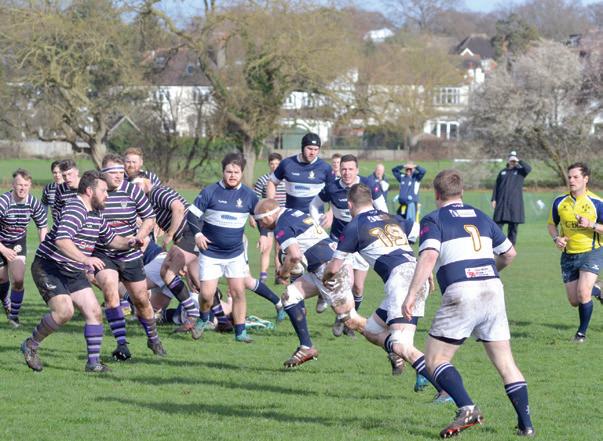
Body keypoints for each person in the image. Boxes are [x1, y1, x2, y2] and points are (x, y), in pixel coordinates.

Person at [403, 169, 534, 438]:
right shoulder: (481, 216)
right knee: (506, 363)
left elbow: (429, 256)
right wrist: (489, 271)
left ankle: (467, 409)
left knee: (434, 359)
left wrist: (411, 294)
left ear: (436, 194)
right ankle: (526, 426)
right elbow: (509, 253)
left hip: (462, 291)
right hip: (493, 290)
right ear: (461, 192)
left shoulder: (434, 219)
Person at [322, 184, 451, 402]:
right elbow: (423, 234)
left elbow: (334, 267)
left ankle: (443, 387)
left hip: (401, 280)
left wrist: (325, 279)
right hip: (412, 275)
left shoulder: (354, 226)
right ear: (370, 201)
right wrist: (424, 266)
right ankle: (416, 363)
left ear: (349, 205)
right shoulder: (390, 217)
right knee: (371, 330)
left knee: (402, 345)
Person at [21, 171, 137, 373]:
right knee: (64, 312)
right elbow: (62, 240)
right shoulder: (75, 209)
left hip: (72, 270)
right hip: (49, 266)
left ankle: (93, 364)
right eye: (103, 191)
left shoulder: (96, 214)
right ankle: (30, 345)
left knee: (94, 311)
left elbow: (112, 240)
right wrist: (85, 259)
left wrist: (130, 242)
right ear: (90, 191)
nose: (107, 195)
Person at [254, 198, 357, 368]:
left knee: (351, 320)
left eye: (260, 221)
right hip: (323, 267)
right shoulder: (292, 213)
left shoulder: (281, 225)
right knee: (290, 296)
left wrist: (283, 272)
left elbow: (294, 256)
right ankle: (306, 347)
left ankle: (393, 343)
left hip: (330, 271)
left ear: (268, 216)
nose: (261, 225)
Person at [191, 153, 270, 343]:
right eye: (229, 171)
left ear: (242, 173)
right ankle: (203, 317)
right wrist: (198, 235)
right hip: (210, 253)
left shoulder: (249, 195)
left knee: (238, 292)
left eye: (236, 172)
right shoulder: (210, 191)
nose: (232, 175)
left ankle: (240, 332)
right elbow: (191, 215)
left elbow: (261, 217)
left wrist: (263, 234)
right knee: (206, 294)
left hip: (235, 254)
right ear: (223, 171)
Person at [94, 154, 165, 360]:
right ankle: (122, 344)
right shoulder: (97, 193)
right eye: (113, 172)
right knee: (110, 294)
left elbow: (149, 217)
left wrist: (140, 236)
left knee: (141, 299)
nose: (118, 175)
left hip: (130, 253)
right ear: (103, 173)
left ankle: (153, 338)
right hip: (104, 253)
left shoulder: (132, 190)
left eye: (120, 171)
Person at [309, 155, 388, 337]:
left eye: (350, 169)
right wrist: (317, 224)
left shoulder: (368, 185)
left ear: (357, 170)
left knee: (358, 287)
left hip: (363, 242)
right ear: (339, 170)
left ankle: (345, 321)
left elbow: (383, 211)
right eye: (343, 169)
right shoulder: (332, 187)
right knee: (346, 282)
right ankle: (343, 315)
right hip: (340, 241)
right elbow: (314, 204)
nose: (347, 173)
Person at [132, 175, 202, 338]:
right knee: (197, 281)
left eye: (137, 184)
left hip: (190, 233)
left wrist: (169, 235)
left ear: (146, 181)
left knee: (167, 271)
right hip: (188, 235)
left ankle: (194, 313)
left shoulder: (157, 192)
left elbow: (178, 208)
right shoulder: (148, 201)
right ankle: (221, 319)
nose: (135, 189)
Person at [547, 162, 603, 343]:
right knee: (574, 300)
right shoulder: (559, 202)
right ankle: (598, 290)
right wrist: (556, 238)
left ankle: (581, 334)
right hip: (569, 255)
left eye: (576, 177)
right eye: (569, 177)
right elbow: (551, 225)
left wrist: (591, 225)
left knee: (583, 293)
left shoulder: (597, 203)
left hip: (592, 252)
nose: (571, 180)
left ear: (586, 179)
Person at [0, 169, 48, 327]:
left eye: (26, 185)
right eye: (19, 185)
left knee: (19, 279)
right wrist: (3, 250)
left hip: (17, 243)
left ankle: (13, 315)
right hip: (1, 243)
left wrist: (43, 247)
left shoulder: (33, 202)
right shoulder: (4, 202)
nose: (22, 188)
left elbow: (42, 225)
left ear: (30, 185)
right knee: (2, 279)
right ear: (13, 185)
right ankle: (5, 301)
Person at [266, 132, 334, 213]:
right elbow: (272, 182)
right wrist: (271, 203)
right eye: (309, 149)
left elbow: (334, 190)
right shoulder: (287, 163)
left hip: (315, 216)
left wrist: (331, 212)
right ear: (302, 147)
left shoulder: (325, 167)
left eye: (316, 149)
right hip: (291, 215)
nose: (312, 153)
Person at [254, 152, 286, 283]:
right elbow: (256, 200)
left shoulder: (286, 180)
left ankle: (279, 275)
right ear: (269, 164)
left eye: (277, 164)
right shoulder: (263, 180)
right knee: (266, 248)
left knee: (280, 248)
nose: (274, 166)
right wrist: (252, 217)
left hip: (282, 218)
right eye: (272, 164)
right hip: (266, 219)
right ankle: (263, 277)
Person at [491, 151, 532, 245]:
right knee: (497, 226)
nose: (512, 160)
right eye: (511, 158)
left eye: (514, 158)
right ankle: (498, 245)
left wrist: (519, 161)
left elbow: (528, 169)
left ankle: (511, 246)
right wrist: (493, 199)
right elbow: (496, 186)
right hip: (501, 204)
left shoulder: (521, 171)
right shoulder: (502, 172)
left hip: (514, 205)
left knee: (513, 228)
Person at [52, 159, 81, 224]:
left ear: (77, 172)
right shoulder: (60, 189)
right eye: (64, 175)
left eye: (69, 174)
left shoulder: (87, 186)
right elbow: (56, 212)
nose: (67, 178)